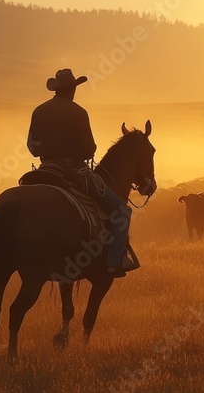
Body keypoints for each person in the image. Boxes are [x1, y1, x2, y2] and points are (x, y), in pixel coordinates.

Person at [27, 69, 132, 278]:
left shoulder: (39, 111)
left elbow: (32, 145)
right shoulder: (78, 112)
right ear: (72, 89)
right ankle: (113, 262)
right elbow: (89, 148)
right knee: (121, 210)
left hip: (44, 169)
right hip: (72, 171)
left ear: (56, 89)